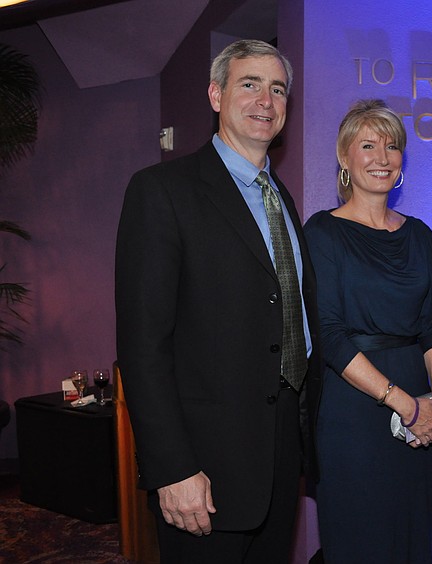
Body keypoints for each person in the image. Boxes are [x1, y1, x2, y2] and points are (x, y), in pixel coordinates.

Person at [115, 40, 321, 563]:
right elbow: (143, 347)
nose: (265, 100)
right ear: (215, 94)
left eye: (277, 90)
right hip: (202, 468)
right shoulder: (162, 191)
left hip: (278, 460)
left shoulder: (283, 200)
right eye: (249, 84)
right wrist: (172, 468)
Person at [304, 99, 432, 563]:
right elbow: (328, 333)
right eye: (367, 145)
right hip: (352, 410)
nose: (382, 157)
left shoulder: (421, 235)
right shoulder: (322, 233)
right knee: (361, 539)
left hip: (419, 411)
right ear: (345, 159)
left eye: (391, 146)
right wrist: (404, 404)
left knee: (410, 537)